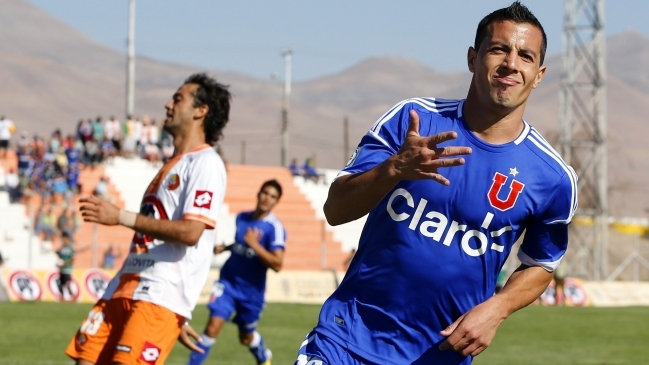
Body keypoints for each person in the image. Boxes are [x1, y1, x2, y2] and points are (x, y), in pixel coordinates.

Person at [294, 3, 577, 364]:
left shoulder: (552, 177)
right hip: (346, 338)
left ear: (538, 74)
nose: (510, 64)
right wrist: (394, 168)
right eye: (498, 49)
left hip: (439, 354)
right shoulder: (413, 120)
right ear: (473, 58)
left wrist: (498, 308)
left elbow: (541, 264)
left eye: (525, 56)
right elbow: (335, 210)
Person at [65, 73, 231, 365]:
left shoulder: (206, 163)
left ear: (200, 111)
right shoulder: (173, 163)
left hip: (158, 293)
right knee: (84, 360)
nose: (167, 105)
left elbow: (192, 232)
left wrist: (120, 217)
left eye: (178, 98)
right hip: (124, 285)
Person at [185, 179, 286, 365]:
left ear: (276, 202)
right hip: (228, 283)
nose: (267, 198)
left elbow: (277, 264)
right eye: (265, 193)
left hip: (251, 294)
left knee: (245, 338)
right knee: (212, 328)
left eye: (272, 196)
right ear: (258, 194)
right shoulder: (242, 218)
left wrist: (255, 245)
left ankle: (263, 356)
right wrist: (226, 248)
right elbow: (241, 244)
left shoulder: (275, 228)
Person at [56, 231, 76, 301]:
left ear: (67, 238)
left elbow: (73, 259)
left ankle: (73, 296)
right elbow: (60, 257)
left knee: (67, 284)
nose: (63, 240)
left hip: (67, 269)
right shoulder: (62, 247)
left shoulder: (70, 247)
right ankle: (62, 297)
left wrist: (64, 264)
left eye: (63, 238)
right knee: (61, 284)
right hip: (62, 269)